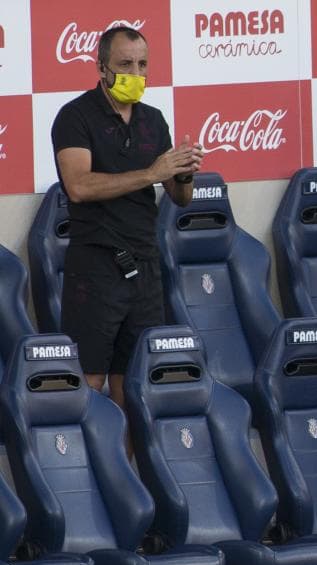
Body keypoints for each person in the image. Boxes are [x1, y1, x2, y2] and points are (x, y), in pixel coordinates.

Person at [51, 26, 202, 415]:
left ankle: (126, 473)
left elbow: (180, 198)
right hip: (96, 267)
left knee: (134, 385)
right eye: (124, 65)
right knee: (89, 382)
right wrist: (152, 172)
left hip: (145, 266)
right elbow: (78, 186)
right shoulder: (74, 116)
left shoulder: (154, 120)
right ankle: (86, 473)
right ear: (101, 67)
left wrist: (183, 172)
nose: (135, 74)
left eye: (142, 65)